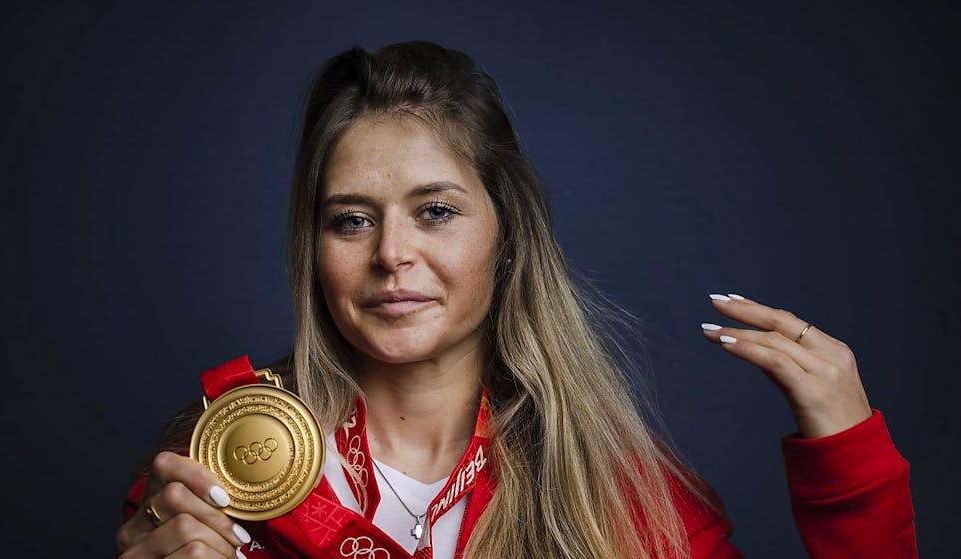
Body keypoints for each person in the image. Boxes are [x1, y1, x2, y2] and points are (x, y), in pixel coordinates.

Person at [115, 41, 916, 559]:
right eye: (352, 220)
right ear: (313, 248)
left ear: (509, 232)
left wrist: (850, 464)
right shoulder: (218, 460)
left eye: (436, 211)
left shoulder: (630, 509)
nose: (392, 253)